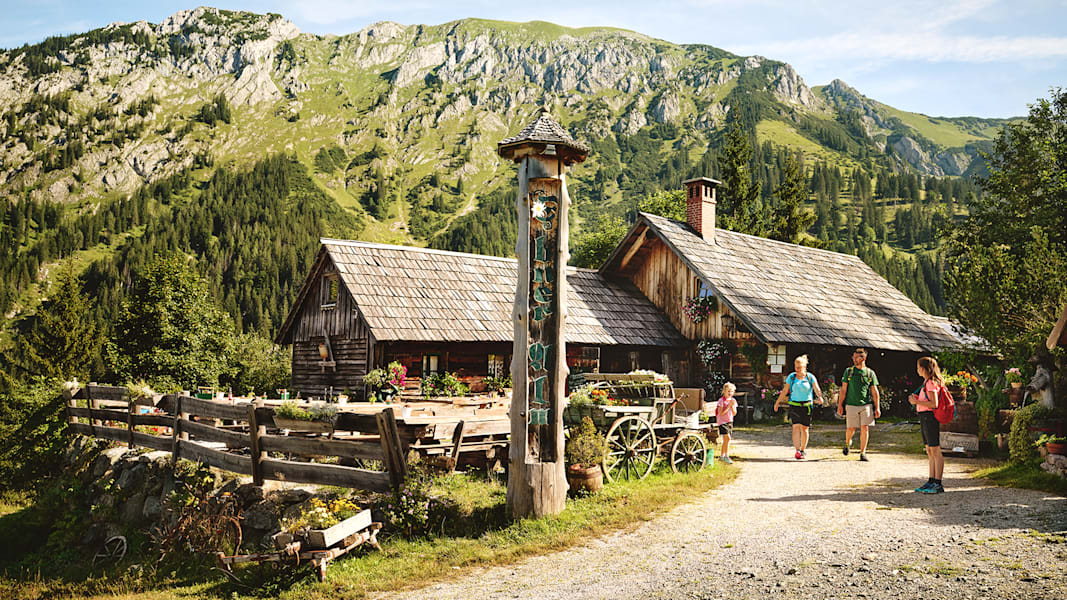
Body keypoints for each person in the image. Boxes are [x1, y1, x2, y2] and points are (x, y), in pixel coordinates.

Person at [774, 355, 824, 459]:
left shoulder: (810, 377)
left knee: (805, 428)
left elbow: (816, 388)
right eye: (796, 367)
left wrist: (820, 397)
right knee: (796, 427)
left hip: (807, 406)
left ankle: (803, 450)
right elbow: (785, 391)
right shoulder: (791, 377)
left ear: (804, 367)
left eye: (800, 367)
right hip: (794, 405)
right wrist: (777, 402)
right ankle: (797, 451)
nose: (797, 369)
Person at [837, 348, 881, 461]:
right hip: (851, 404)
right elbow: (843, 389)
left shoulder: (870, 373)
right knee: (851, 428)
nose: (855, 359)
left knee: (865, 428)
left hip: (866, 405)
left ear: (864, 358)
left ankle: (863, 452)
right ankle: (847, 443)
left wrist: (877, 407)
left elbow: (875, 391)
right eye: (854, 357)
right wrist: (840, 405)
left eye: (857, 357)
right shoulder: (849, 372)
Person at [909, 356, 945, 493]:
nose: (917, 369)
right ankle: (931, 480)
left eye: (918, 367)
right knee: (929, 450)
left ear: (924, 368)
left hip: (930, 417)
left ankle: (938, 483)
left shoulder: (931, 383)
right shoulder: (926, 382)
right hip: (924, 417)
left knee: (935, 449)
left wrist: (916, 402)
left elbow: (934, 404)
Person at [715, 382, 738, 464]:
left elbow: (734, 413)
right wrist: (728, 406)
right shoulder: (721, 401)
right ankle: (726, 456)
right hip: (722, 421)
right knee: (727, 437)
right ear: (724, 391)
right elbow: (721, 413)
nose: (730, 393)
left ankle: (722, 456)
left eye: (731, 391)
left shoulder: (733, 401)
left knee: (726, 440)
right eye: (728, 391)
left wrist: (732, 406)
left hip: (729, 421)